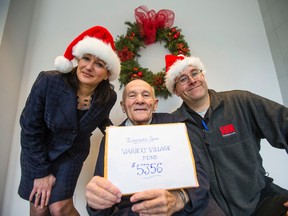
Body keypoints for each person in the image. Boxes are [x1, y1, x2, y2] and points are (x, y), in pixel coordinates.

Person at [164, 54, 288, 216]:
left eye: (194, 73)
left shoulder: (240, 102)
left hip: (261, 201)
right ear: (175, 90)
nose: (192, 80)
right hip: (212, 212)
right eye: (182, 79)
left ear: (202, 75)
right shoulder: (174, 126)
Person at [18, 26, 121, 216]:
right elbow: (29, 128)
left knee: (60, 208)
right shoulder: (49, 81)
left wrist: (122, 137)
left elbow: (101, 118)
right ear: (77, 59)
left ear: (107, 73)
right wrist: (41, 172)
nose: (89, 67)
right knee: (40, 208)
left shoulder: (109, 96)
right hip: (39, 151)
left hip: (72, 154)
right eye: (86, 58)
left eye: (99, 64)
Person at [85, 79, 225, 215]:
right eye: (132, 95)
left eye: (146, 95)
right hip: (135, 210)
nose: (140, 100)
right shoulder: (112, 138)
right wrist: (95, 201)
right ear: (123, 106)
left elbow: (198, 173)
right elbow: (102, 202)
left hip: (184, 207)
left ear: (155, 104)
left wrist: (178, 199)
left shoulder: (173, 124)